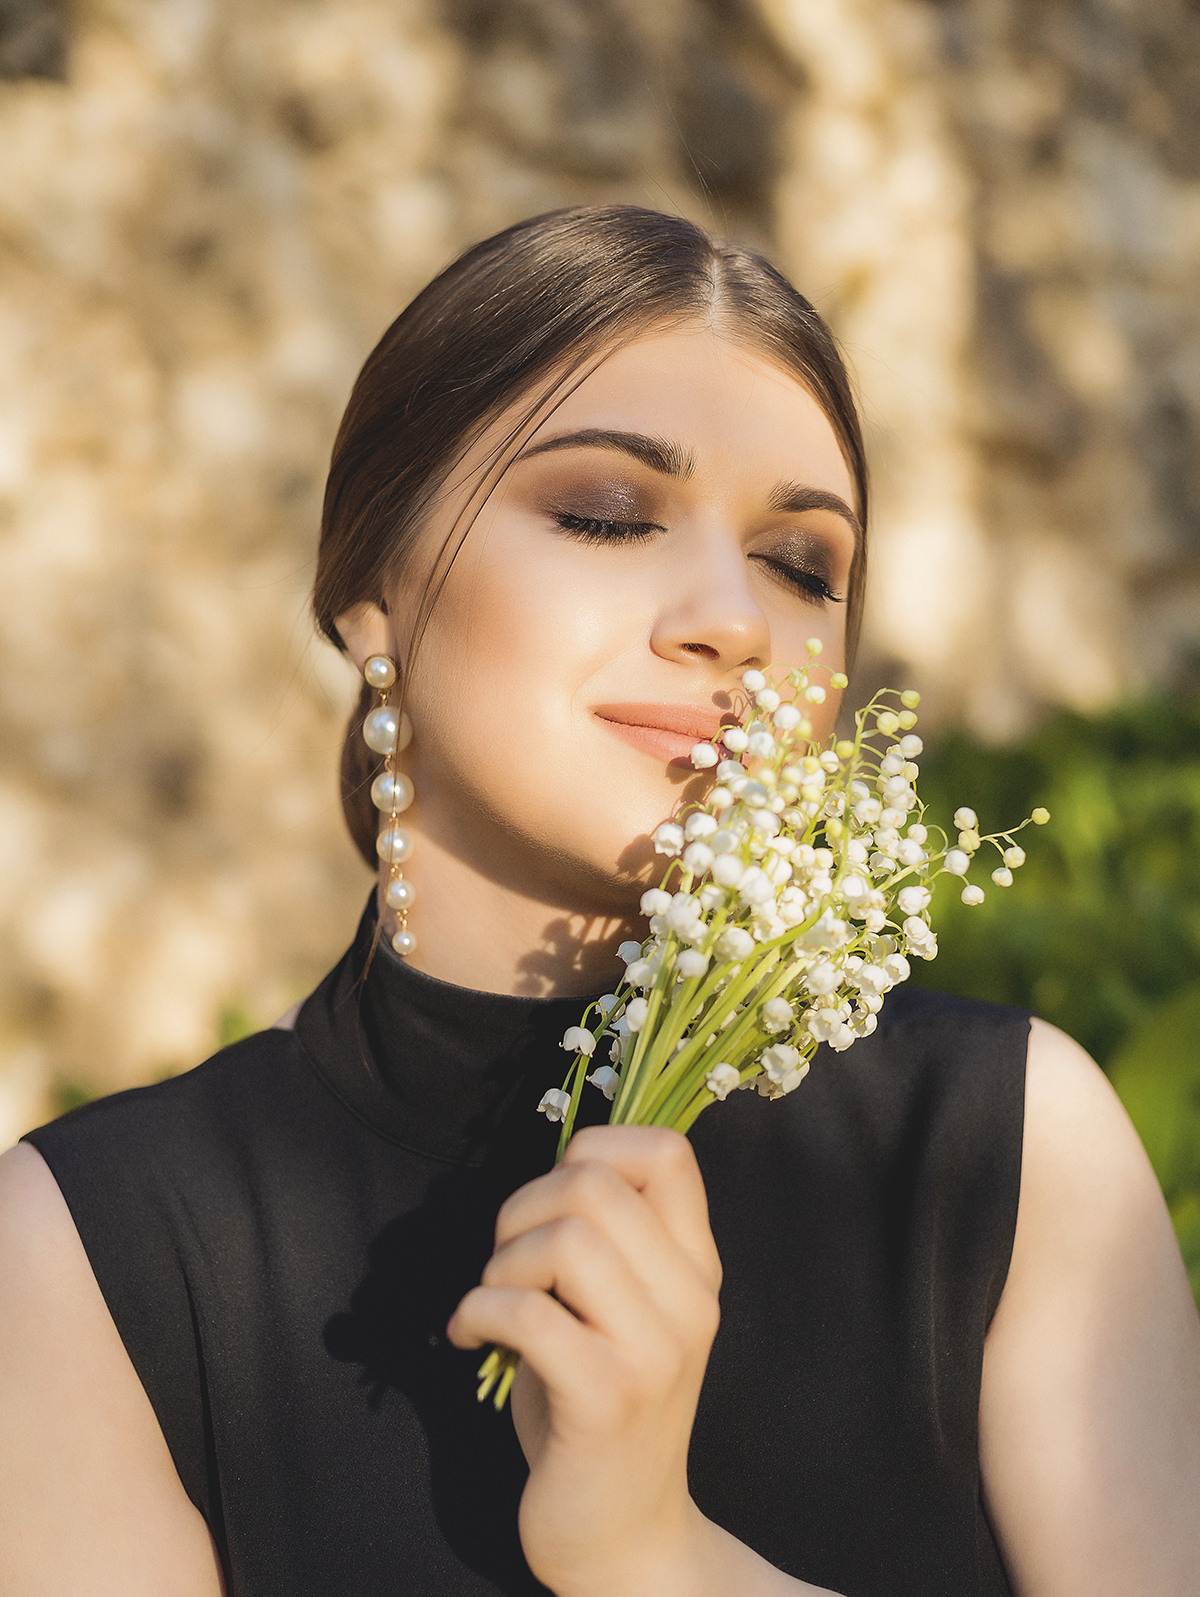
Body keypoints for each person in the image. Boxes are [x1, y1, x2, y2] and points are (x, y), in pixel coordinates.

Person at [1, 206, 1197, 1597]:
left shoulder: (1007, 1150)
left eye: (802, 562)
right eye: (610, 515)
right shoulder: (94, 1253)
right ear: (371, 591)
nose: (734, 619)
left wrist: (655, 1557)